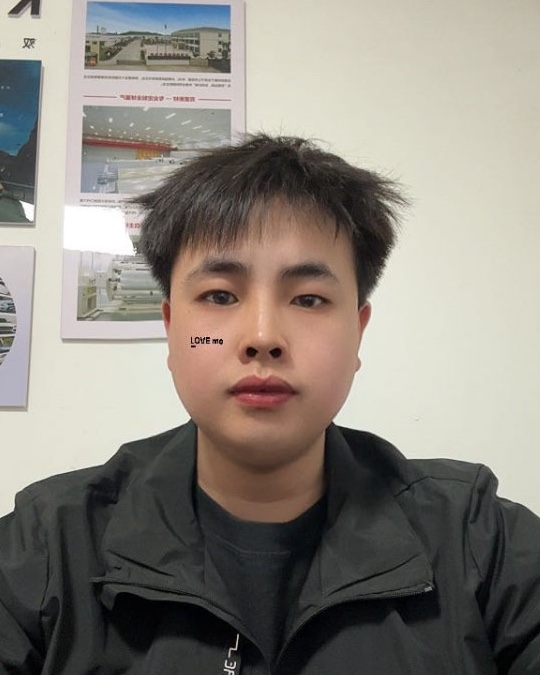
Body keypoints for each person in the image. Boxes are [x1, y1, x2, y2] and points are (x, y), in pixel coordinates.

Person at [1, 135, 539, 674]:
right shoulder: (46, 550)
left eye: (308, 299)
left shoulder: (481, 545)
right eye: (219, 296)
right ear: (172, 328)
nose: (262, 337)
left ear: (357, 332)